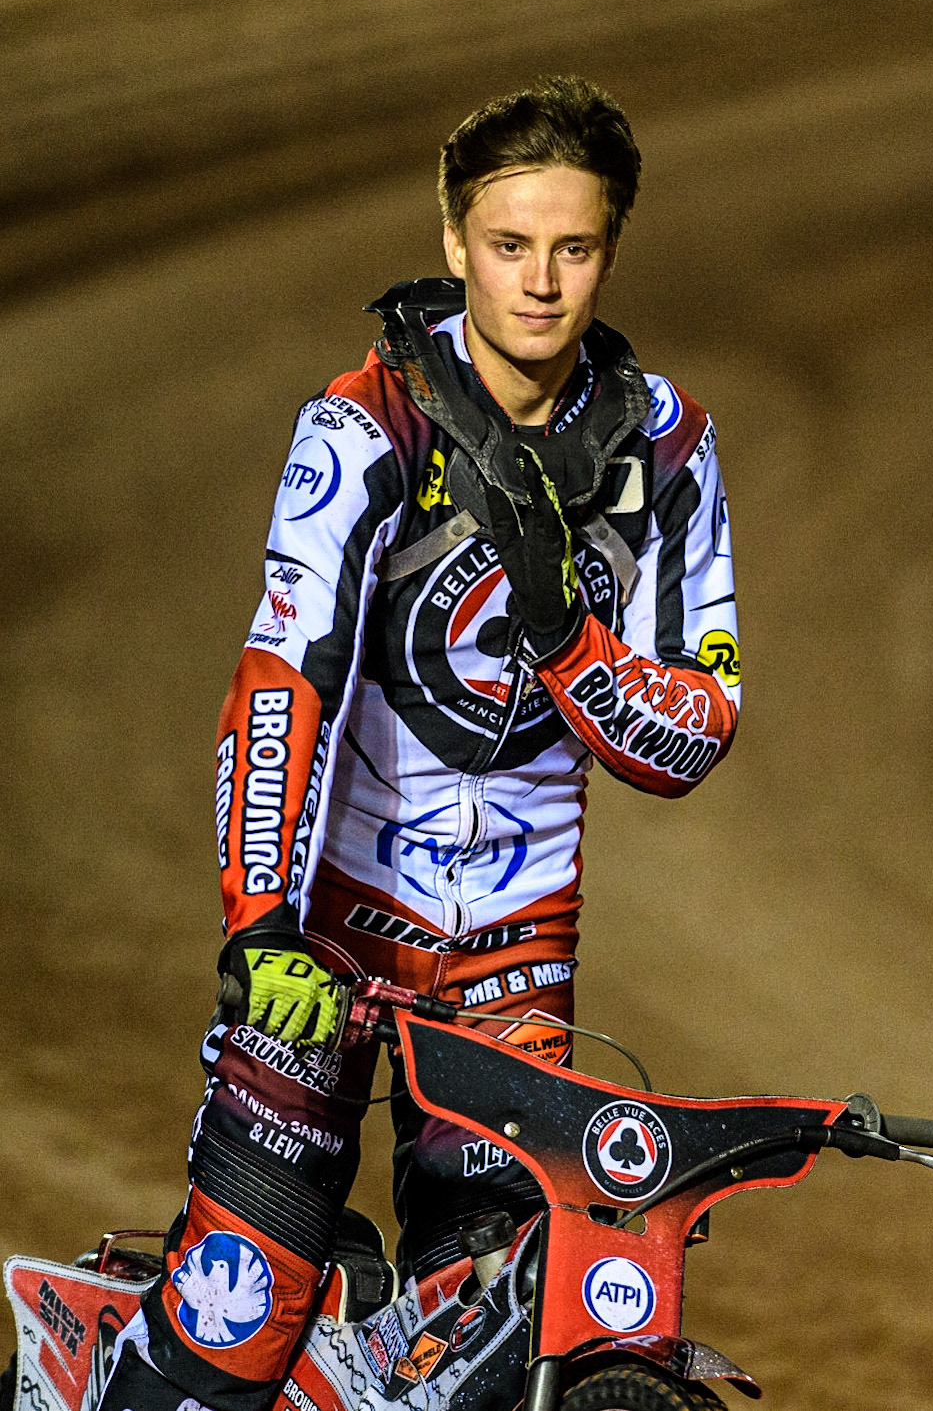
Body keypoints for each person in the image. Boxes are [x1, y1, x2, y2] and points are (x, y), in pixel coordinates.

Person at [100, 74, 741, 1411]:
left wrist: (567, 640)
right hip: (326, 938)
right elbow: (285, 682)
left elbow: (693, 735)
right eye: (510, 246)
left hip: (517, 964)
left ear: (611, 247)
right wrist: (262, 926)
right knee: (231, 1330)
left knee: (500, 1350)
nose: (541, 284)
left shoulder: (668, 448)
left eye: (573, 248)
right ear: (455, 241)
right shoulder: (367, 420)